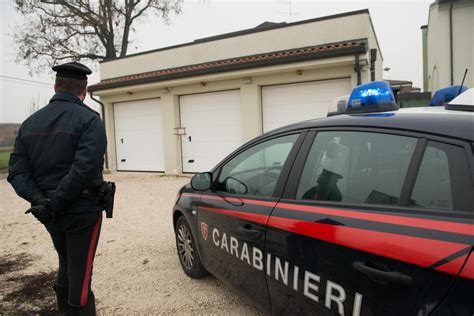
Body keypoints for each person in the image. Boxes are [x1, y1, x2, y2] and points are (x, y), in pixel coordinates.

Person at [8, 62, 107, 315]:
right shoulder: (89, 119)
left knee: (66, 262)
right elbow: (84, 169)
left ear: (55, 86)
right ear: (84, 90)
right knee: (81, 272)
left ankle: (64, 310)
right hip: (80, 211)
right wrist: (56, 203)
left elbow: (17, 173)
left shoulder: (29, 124)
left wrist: (41, 201)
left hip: (49, 213)